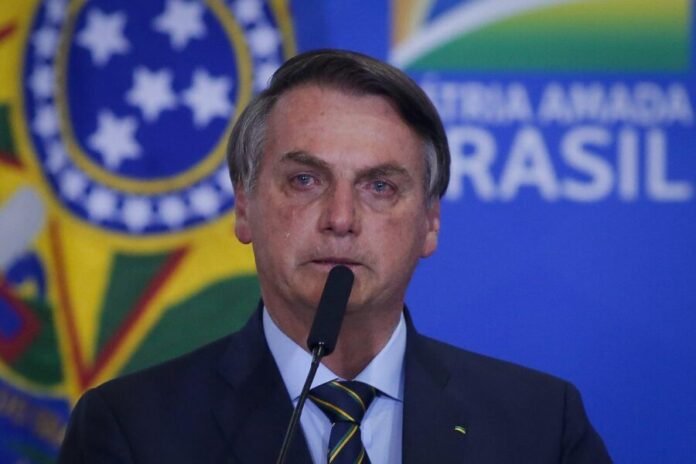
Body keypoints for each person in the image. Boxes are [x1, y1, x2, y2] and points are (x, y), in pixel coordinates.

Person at [58, 49, 611, 463]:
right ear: (245, 207)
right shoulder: (131, 430)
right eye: (305, 180)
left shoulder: (541, 426)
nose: (340, 217)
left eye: (380, 186)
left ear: (430, 223)